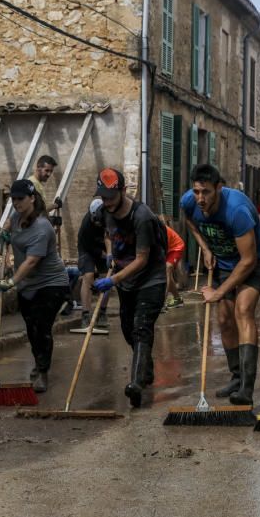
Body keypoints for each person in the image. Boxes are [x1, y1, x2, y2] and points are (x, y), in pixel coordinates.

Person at [181, 164, 260, 406]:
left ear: (219, 188)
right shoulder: (189, 201)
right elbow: (189, 221)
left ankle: (246, 388)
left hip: (253, 261)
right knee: (223, 320)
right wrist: (205, 247)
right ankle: (236, 376)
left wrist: (218, 292)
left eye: (206, 192)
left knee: (242, 310)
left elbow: (249, 260)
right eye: (197, 191)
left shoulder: (237, 210)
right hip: (224, 261)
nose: (200, 198)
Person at [90, 168, 169, 407]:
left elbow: (142, 259)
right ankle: (144, 367)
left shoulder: (142, 217)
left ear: (123, 191)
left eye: (111, 198)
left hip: (150, 279)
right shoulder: (104, 212)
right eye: (103, 197)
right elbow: (107, 233)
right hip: (127, 281)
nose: (107, 202)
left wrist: (112, 280)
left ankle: (135, 384)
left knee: (141, 327)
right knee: (127, 328)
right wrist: (110, 254)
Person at [0, 179, 70, 393]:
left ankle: (43, 372)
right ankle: (39, 363)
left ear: (32, 198)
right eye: (13, 199)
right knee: (31, 328)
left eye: (20, 199)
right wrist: (5, 233)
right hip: (27, 284)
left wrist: (10, 281)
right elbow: (9, 225)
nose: (16, 203)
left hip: (51, 283)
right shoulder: (16, 217)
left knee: (42, 327)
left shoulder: (42, 227)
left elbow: (31, 262)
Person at [75, 198, 110, 335]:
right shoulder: (86, 225)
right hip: (87, 250)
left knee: (107, 277)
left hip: (105, 249)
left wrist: (110, 254)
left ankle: (102, 312)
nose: (96, 223)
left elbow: (110, 237)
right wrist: (103, 254)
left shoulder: (109, 218)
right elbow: (89, 246)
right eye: (94, 220)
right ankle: (85, 315)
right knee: (88, 276)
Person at [164, 224, 186, 310]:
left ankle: (161, 303)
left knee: (167, 269)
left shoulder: (158, 228)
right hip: (166, 247)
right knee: (167, 274)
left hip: (176, 247)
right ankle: (177, 299)